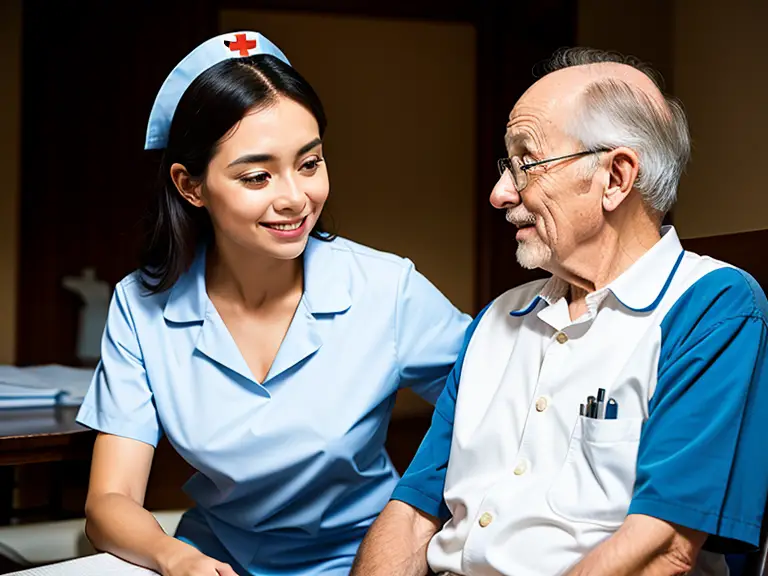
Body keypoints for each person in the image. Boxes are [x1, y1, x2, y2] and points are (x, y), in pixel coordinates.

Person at [352, 47, 768, 576]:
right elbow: (413, 515)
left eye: (526, 163)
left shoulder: (714, 309)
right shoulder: (497, 319)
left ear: (616, 177)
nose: (500, 194)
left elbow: (663, 549)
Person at [76, 31, 471, 576]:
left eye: (309, 164)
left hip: (364, 562)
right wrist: (177, 559)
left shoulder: (386, 288)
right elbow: (109, 501)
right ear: (190, 186)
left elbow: (501, 400)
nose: (294, 197)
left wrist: (422, 506)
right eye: (257, 176)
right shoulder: (141, 308)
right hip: (213, 560)